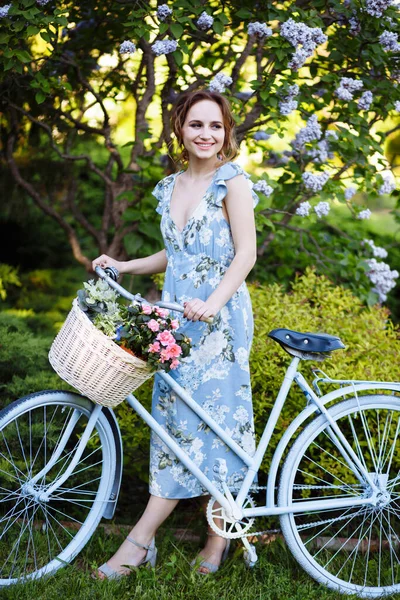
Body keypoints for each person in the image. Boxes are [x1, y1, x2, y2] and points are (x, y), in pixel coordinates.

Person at [92, 89, 259, 579]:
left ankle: (195, 540)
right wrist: (124, 265)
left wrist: (211, 304)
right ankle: (164, 540)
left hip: (219, 322)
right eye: (196, 125)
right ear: (179, 130)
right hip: (174, 322)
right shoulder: (168, 188)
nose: (206, 135)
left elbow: (244, 255)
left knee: (218, 428)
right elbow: (175, 254)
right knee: (174, 428)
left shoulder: (234, 184)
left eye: (215, 126)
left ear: (226, 132)